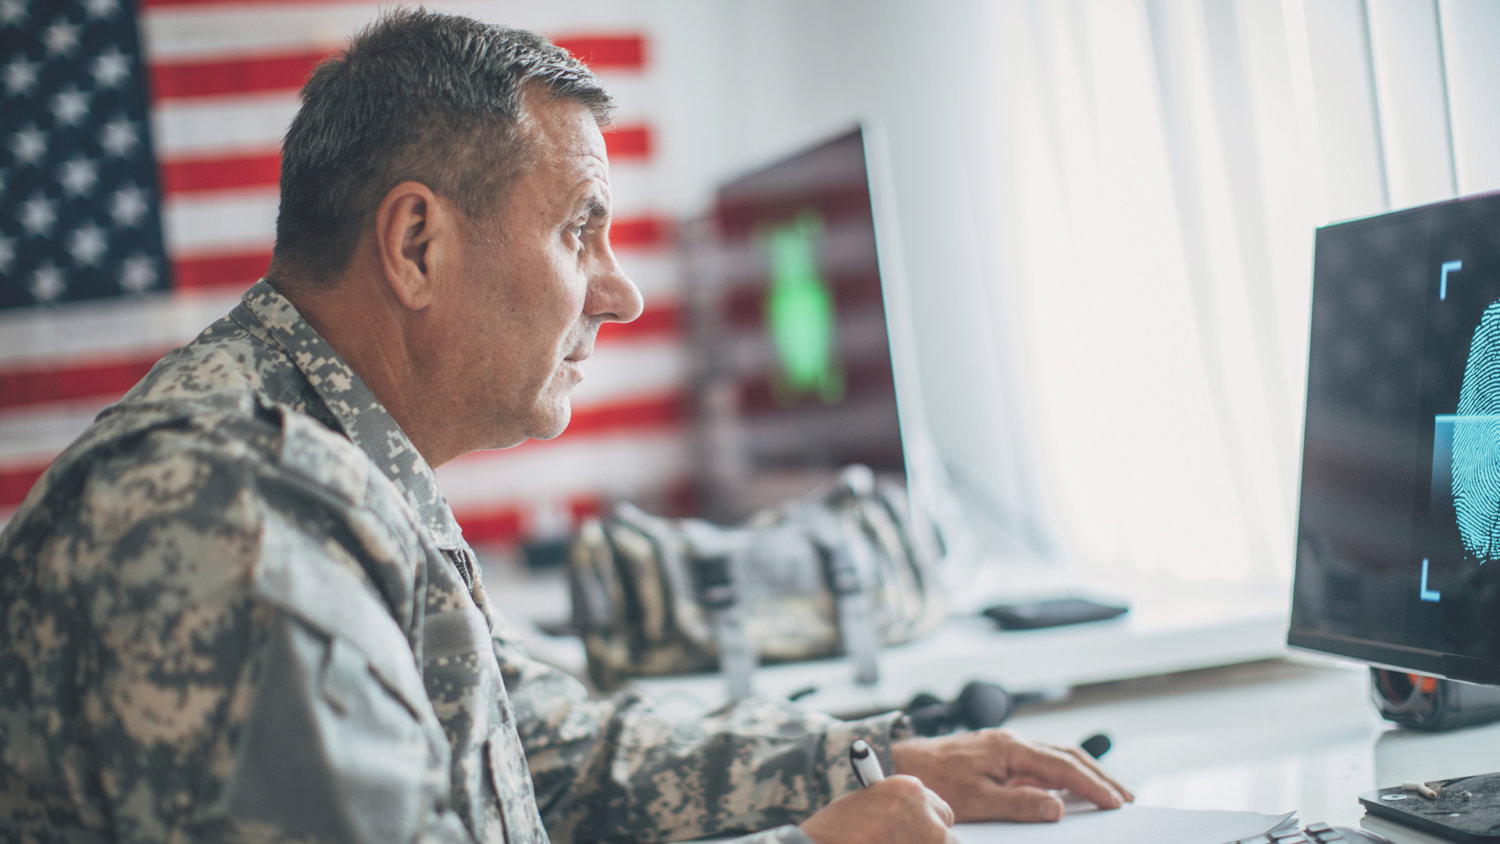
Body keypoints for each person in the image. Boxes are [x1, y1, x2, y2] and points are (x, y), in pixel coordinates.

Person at [0, 10, 1131, 843]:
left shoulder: (326, 461)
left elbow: (548, 748)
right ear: (417, 247)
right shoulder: (229, 516)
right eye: (579, 229)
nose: (620, 291)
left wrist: (864, 756)